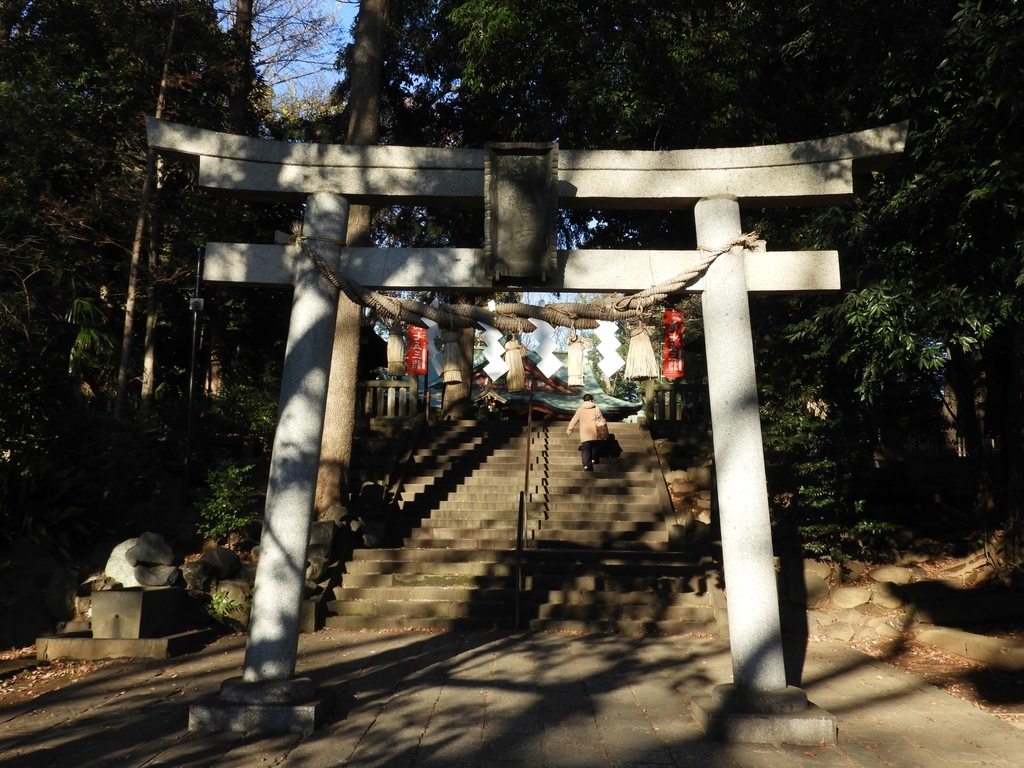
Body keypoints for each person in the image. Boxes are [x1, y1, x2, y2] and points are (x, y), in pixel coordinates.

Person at [566, 393, 604, 471]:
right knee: (593, 446)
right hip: (594, 431)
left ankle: (586, 465)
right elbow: (601, 419)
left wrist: (570, 429)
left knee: (585, 449)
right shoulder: (596, 408)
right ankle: (593, 460)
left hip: (584, 432)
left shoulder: (580, 409)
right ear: (591, 400)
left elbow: (574, 420)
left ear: (584, 400)